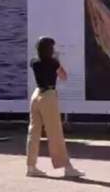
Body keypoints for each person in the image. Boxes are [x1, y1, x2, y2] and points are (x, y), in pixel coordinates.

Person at [26, 37, 84, 178]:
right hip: (48, 96)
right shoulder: (53, 62)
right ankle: (67, 168)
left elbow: (40, 63)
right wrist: (57, 61)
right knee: (55, 133)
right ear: (49, 49)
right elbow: (63, 76)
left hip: (36, 95)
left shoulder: (34, 62)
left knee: (33, 132)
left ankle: (31, 167)